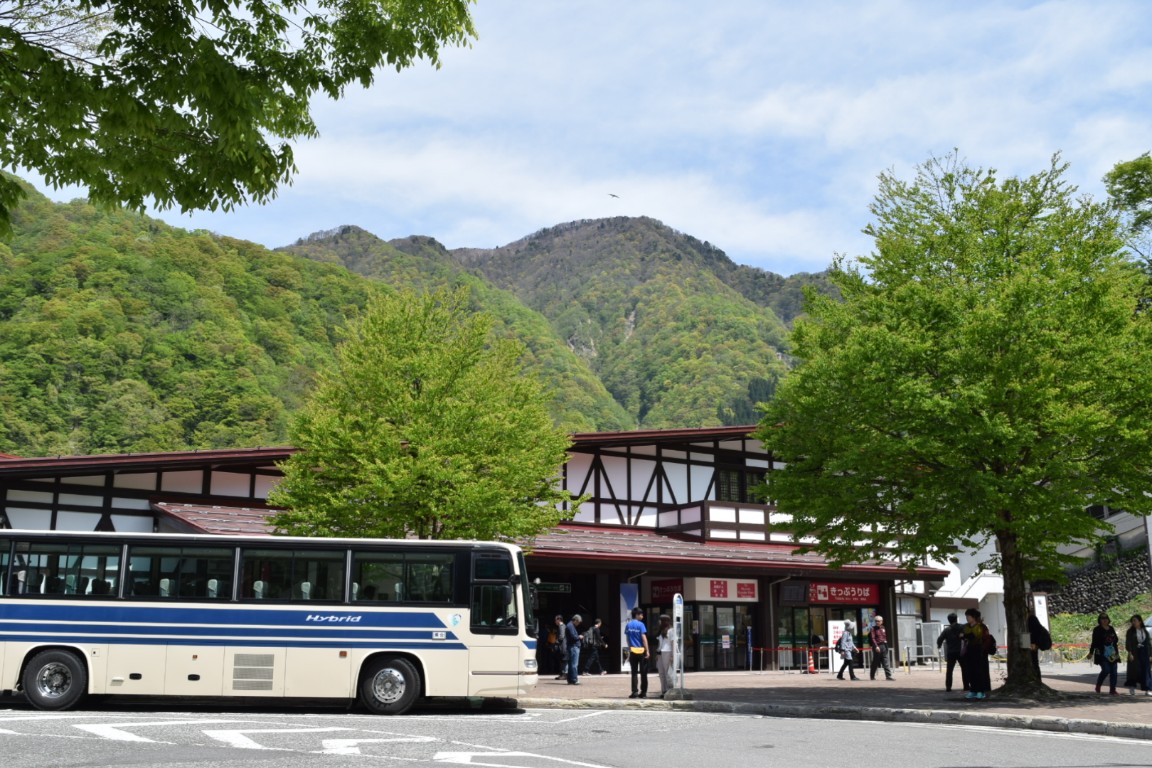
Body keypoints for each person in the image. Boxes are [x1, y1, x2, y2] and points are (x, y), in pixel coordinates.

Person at [960, 607, 993, 700]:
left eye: (968, 616)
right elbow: (963, 635)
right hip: (969, 650)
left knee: (979, 671)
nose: (967, 618)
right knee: (970, 671)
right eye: (966, 616)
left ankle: (981, 691)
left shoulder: (981, 626)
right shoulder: (966, 626)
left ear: (974, 617)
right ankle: (973, 690)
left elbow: (976, 636)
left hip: (979, 651)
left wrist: (965, 636)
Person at [1089, 612, 1120, 695]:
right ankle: (1098, 685)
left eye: (1106, 619)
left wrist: (1111, 640)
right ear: (1100, 620)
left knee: (1114, 672)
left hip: (1113, 652)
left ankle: (1112, 689)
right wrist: (1091, 652)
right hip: (1102, 653)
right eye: (1102, 619)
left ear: (1108, 620)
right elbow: (1094, 642)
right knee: (1106, 670)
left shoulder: (1111, 628)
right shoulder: (1097, 629)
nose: (1104, 620)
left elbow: (1116, 639)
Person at [625, 606, 650, 699]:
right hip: (641, 651)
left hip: (633, 651)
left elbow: (627, 638)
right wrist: (647, 651)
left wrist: (630, 648)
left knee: (634, 672)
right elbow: (644, 639)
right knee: (644, 673)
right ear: (637, 615)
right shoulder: (641, 625)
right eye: (641, 614)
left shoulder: (628, 625)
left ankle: (634, 692)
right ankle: (643, 692)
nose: (642, 616)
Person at [936, 613, 965, 692]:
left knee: (949, 670)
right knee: (964, 669)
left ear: (949, 621)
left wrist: (939, 645)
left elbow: (940, 639)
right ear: (956, 619)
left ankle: (948, 686)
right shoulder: (962, 627)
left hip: (951, 652)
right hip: (960, 651)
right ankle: (966, 686)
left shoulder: (947, 630)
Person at [1123, 614, 1151, 696]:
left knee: (1146, 670)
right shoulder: (1130, 632)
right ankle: (1132, 687)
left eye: (1135, 620)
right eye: (1132, 621)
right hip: (1134, 652)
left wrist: (1150, 655)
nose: (1133, 622)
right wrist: (1130, 653)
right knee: (1133, 671)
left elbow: (1148, 644)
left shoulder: (1145, 631)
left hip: (1144, 653)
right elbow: (1128, 643)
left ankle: (1147, 689)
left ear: (1140, 621)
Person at [867, 615, 894, 681]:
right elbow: (873, 638)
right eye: (876, 621)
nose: (877, 622)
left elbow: (885, 637)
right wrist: (876, 646)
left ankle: (888, 676)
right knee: (875, 662)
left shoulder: (883, 628)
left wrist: (886, 645)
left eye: (878, 621)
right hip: (877, 646)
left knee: (885, 661)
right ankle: (872, 676)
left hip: (884, 645)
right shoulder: (873, 628)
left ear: (882, 621)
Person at [1027, 613, 1052, 680]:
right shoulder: (1039, 627)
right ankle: (1037, 680)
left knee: (1032, 663)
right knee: (1035, 664)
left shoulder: (1030, 622)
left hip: (1031, 647)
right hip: (1035, 647)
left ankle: (1035, 679)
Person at [655, 614, 675, 697]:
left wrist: (672, 655)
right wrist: (657, 653)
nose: (659, 622)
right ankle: (663, 690)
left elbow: (673, 643)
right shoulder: (660, 630)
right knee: (661, 672)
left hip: (667, 651)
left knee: (667, 672)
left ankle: (669, 690)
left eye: (661, 620)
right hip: (660, 652)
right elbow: (659, 643)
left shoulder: (671, 630)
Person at [564, 614, 583, 685]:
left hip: (572, 646)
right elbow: (573, 636)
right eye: (578, 622)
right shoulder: (570, 626)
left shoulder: (569, 625)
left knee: (571, 664)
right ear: (575, 620)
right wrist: (579, 637)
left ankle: (570, 679)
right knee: (574, 664)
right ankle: (574, 679)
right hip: (574, 646)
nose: (578, 624)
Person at [551, 614, 566, 679]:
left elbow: (561, 636)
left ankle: (563, 674)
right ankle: (561, 674)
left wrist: (556, 642)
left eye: (555, 620)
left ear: (559, 620)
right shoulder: (562, 626)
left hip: (562, 646)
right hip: (562, 646)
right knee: (561, 660)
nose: (555, 621)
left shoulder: (561, 626)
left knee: (562, 660)